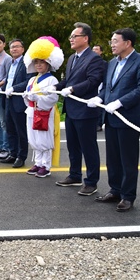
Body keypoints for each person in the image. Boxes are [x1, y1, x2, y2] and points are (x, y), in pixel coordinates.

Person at [87, 28, 140, 212]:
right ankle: (115, 190)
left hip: (128, 116)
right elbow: (107, 87)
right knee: (113, 158)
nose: (112, 44)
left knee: (128, 160)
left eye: (115, 41)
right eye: (111, 41)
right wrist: (100, 97)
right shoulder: (112, 63)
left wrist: (120, 102)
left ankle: (128, 196)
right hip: (111, 117)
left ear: (127, 43)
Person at [50, 22, 105, 196]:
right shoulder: (73, 58)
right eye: (71, 37)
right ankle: (75, 175)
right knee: (73, 146)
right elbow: (68, 80)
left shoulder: (94, 58)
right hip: (72, 109)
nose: (71, 39)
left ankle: (91, 181)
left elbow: (93, 80)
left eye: (75, 36)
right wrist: (56, 86)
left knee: (88, 147)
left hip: (85, 110)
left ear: (85, 38)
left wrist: (73, 89)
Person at [22, 37, 64, 178]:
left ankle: (46, 165)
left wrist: (38, 98)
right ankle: (38, 162)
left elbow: (53, 98)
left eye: (42, 62)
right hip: (32, 111)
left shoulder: (52, 80)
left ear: (48, 64)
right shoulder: (32, 79)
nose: (39, 65)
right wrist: (27, 97)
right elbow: (29, 98)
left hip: (44, 113)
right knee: (33, 138)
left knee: (44, 139)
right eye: (37, 62)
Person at [3, 39, 32, 168]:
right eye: (12, 47)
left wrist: (14, 88)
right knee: (9, 128)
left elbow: (29, 81)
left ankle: (21, 156)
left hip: (19, 100)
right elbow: (8, 80)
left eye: (16, 47)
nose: (14, 49)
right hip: (8, 99)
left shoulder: (27, 63)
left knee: (20, 130)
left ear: (23, 49)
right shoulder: (11, 63)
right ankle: (12, 153)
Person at [92, 44, 105, 132]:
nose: (94, 51)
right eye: (93, 49)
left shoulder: (104, 63)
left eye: (96, 49)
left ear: (101, 52)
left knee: (100, 106)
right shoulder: (90, 62)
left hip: (101, 86)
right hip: (92, 86)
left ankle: (99, 124)